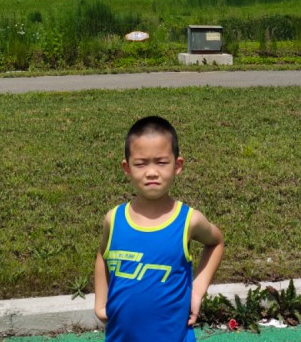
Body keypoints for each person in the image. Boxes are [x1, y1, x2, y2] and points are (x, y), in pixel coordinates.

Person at [94, 116, 224, 342]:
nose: (151, 172)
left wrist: (197, 292)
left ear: (177, 166)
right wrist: (100, 304)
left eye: (161, 162)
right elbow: (102, 256)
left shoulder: (188, 221)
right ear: (126, 168)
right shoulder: (114, 220)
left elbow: (216, 242)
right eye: (141, 163)